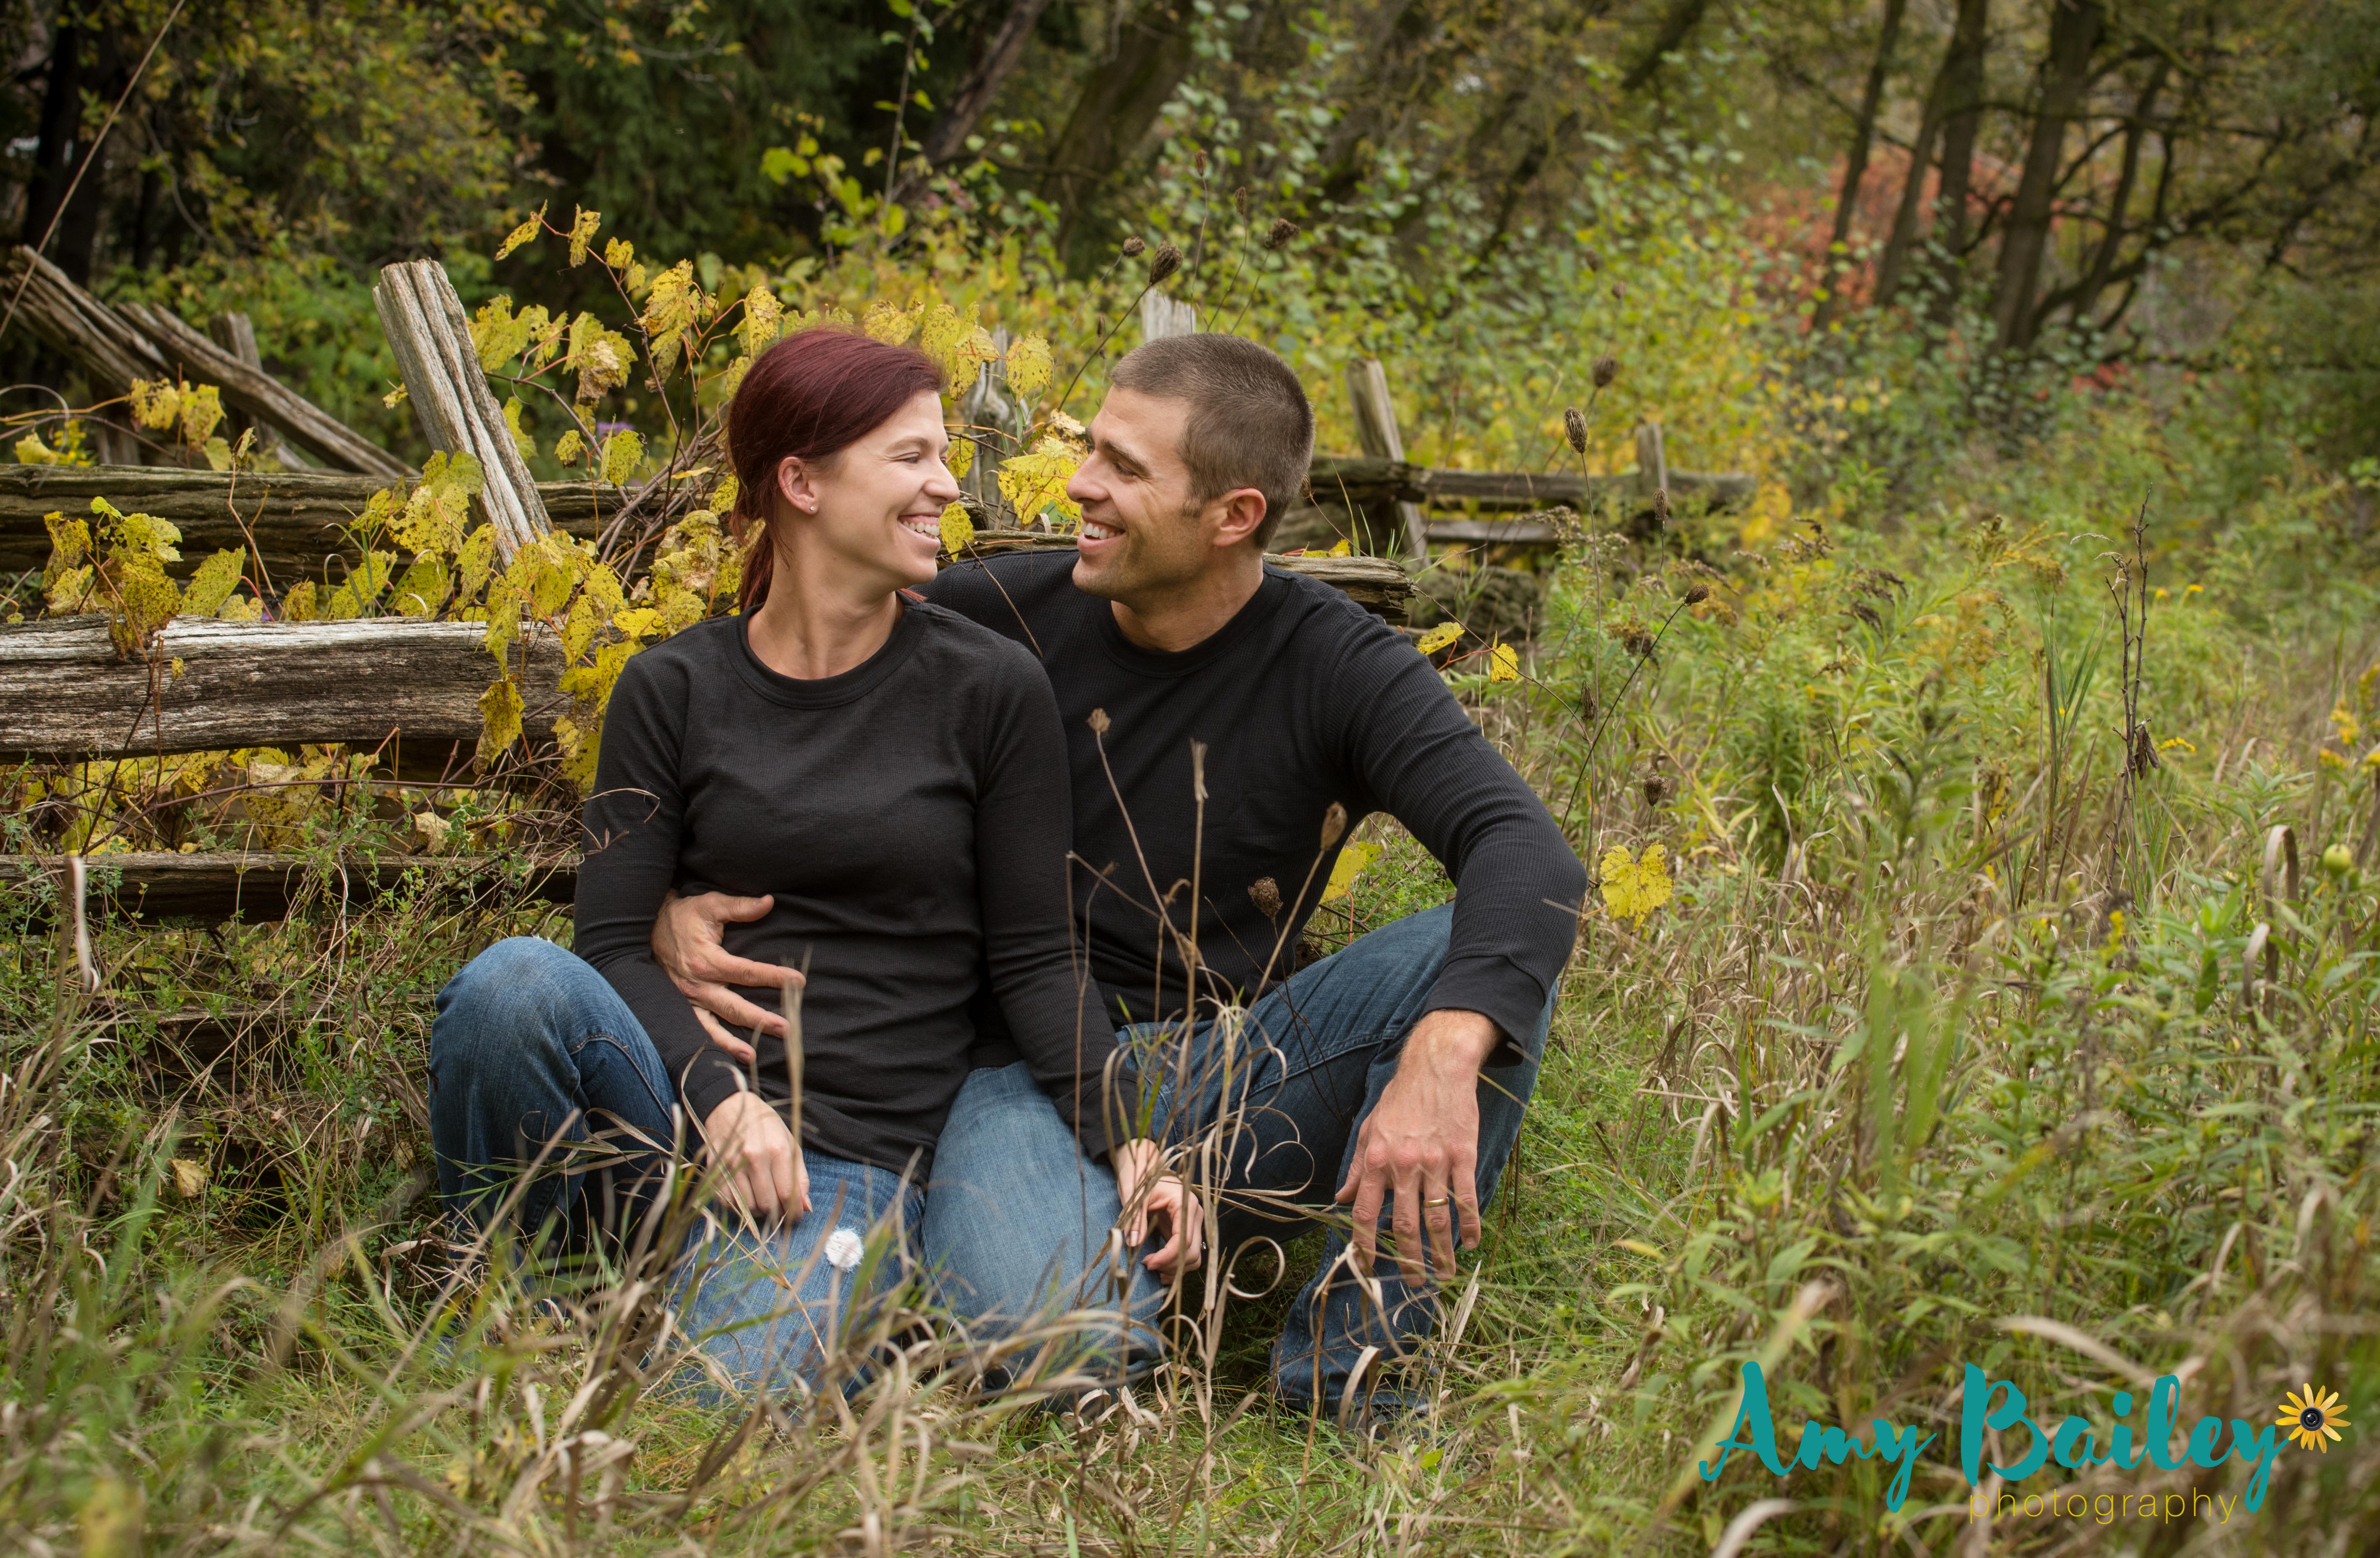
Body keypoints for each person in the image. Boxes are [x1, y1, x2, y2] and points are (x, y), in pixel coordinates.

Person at [654, 332, 1586, 1418]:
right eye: (1093, 447)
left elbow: (1528, 852)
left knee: (1481, 974)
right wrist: (669, 902)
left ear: (1233, 515)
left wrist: (1443, 1050)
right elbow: (762, 713)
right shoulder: (994, 614)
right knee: (1064, 1353)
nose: (1079, 485)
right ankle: (1028, 1266)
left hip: (1233, 1075)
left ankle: (1351, 1384)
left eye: (1124, 467)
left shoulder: (1336, 664)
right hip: (1022, 1071)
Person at [426, 327, 1196, 1398]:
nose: (947, 486)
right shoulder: (672, 689)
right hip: (667, 1112)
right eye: (912, 457)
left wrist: (1130, 1142)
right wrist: (721, 1103)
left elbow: (1035, 958)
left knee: (717, 1406)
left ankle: (832, 1298)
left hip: (838, 1157)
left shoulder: (989, 689)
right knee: (513, 984)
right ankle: (517, 1304)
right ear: (801, 483)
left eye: (943, 457)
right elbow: (610, 945)